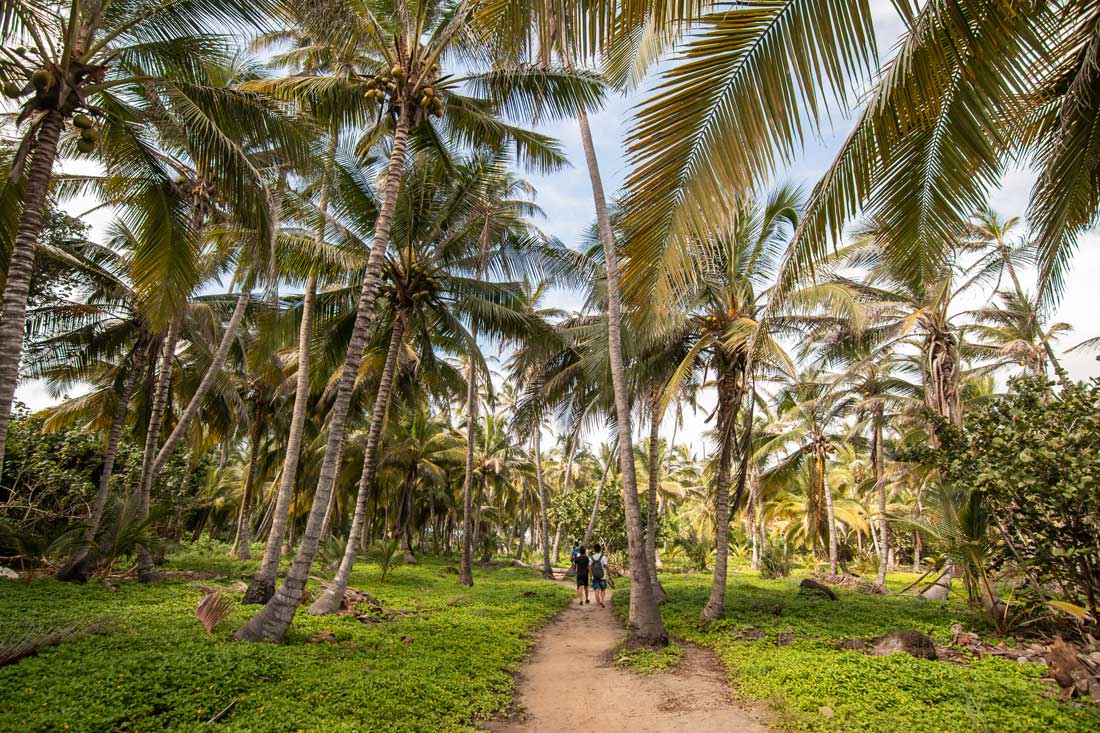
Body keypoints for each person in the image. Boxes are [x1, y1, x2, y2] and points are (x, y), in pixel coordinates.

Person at [589, 543, 609, 608]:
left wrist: (590, 576)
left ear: (594, 550)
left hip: (595, 576)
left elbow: (589, 567)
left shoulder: (591, 558)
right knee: (603, 589)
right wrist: (609, 573)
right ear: (600, 549)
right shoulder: (603, 557)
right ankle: (602, 601)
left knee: (596, 590)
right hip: (602, 577)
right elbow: (606, 566)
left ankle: (598, 603)